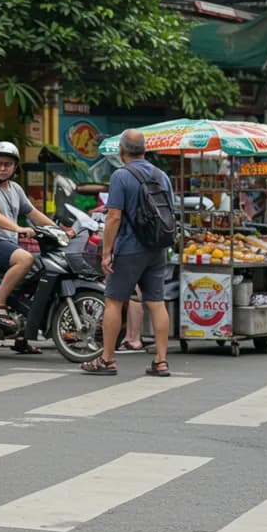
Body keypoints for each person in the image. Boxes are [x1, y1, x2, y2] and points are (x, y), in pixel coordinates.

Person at [82, 130, 174, 377]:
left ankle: (107, 359)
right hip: (156, 248)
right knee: (156, 303)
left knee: (114, 301)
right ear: (145, 149)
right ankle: (161, 361)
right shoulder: (161, 175)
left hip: (128, 249)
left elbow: (113, 217)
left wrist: (106, 252)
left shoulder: (120, 176)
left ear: (121, 151)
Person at [0, 141, 70, 354]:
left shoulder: (15, 189)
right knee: (25, 259)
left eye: (8, 164)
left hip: (7, 244)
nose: (3, 168)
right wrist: (18, 228)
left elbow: (33, 213)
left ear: (15, 167)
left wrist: (59, 229)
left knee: (40, 271)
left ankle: (23, 335)